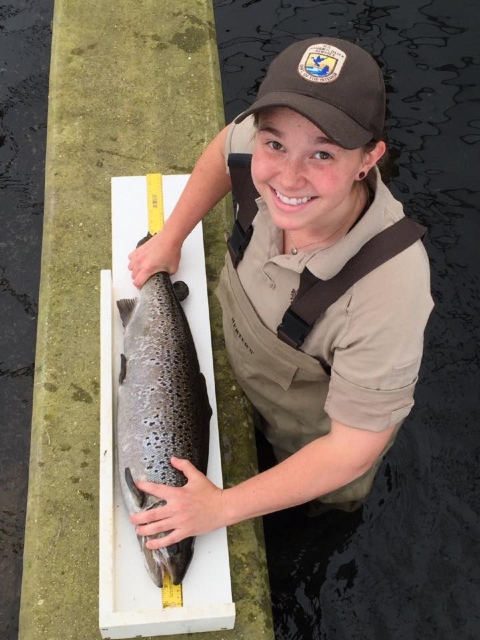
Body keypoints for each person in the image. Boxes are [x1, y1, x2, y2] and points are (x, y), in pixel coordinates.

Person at [127, 37, 433, 548]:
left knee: (312, 530)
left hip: (308, 449)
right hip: (245, 377)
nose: (289, 177)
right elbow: (226, 147)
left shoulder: (390, 290)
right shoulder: (256, 146)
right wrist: (172, 234)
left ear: (369, 158)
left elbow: (352, 449)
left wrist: (221, 507)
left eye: (323, 153)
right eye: (275, 145)